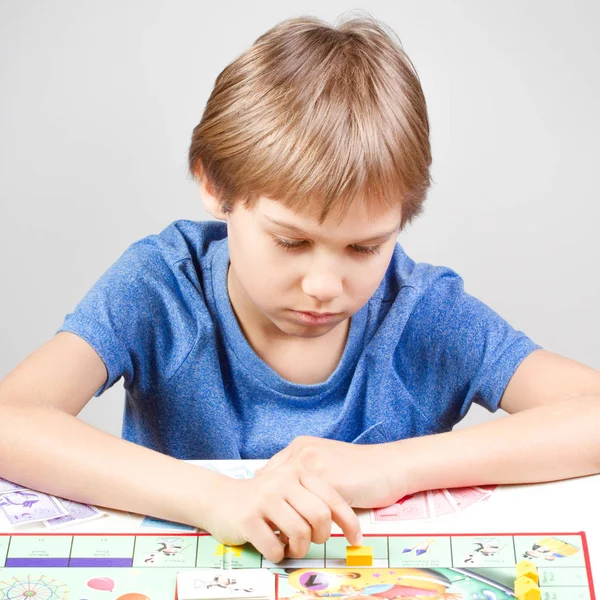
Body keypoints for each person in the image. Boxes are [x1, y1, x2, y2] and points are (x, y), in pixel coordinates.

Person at [1, 13, 599, 565]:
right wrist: (213, 498)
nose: (324, 286)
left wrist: (390, 468)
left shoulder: (423, 315)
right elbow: (11, 419)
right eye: (290, 242)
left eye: (364, 248)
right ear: (214, 184)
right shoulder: (161, 286)